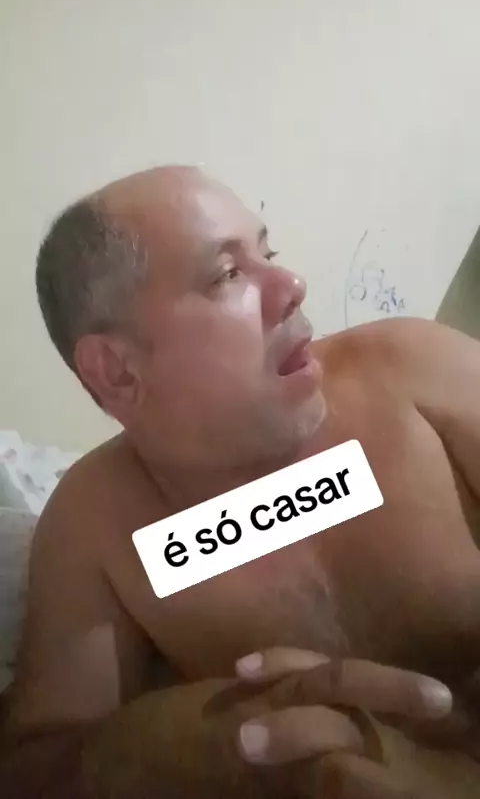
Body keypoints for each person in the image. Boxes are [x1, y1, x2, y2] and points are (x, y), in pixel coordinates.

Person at [2, 165, 480, 797]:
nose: (293, 286)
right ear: (116, 370)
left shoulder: (417, 372)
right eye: (227, 274)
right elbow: (37, 768)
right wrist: (191, 741)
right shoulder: (97, 525)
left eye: (268, 254)